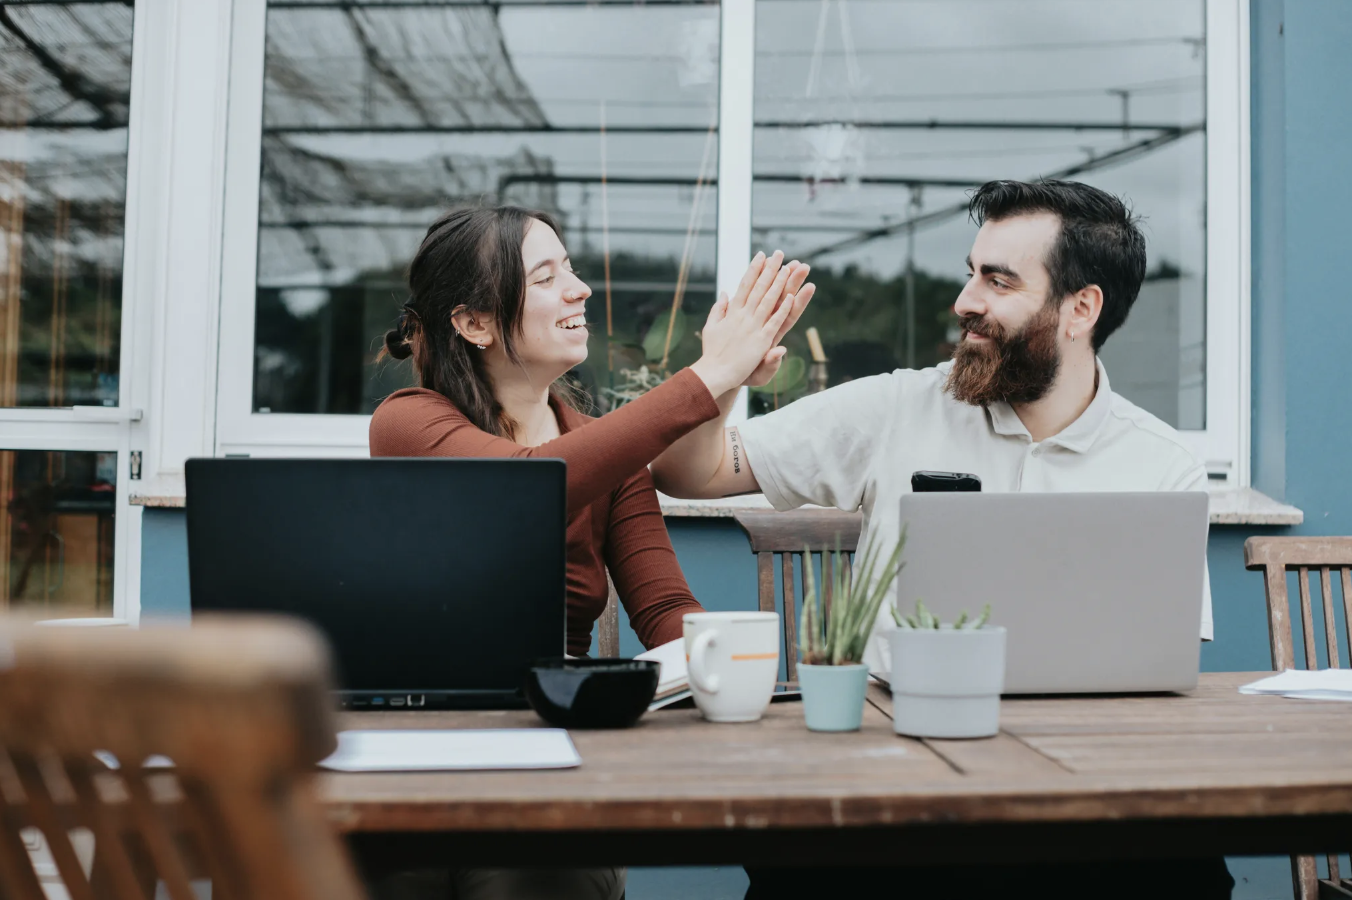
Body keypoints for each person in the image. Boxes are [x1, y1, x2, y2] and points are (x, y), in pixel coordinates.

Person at [651, 179, 1232, 899]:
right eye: (970, 271)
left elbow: (1161, 669)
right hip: (893, 779)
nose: (965, 300)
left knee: (1186, 870)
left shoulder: (1162, 462)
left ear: (1082, 308)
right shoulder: (896, 406)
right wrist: (722, 377)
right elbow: (689, 470)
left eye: (998, 280)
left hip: (1082, 782)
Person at [364, 205, 814, 900]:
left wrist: (724, 663)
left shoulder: (612, 455)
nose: (580, 289)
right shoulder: (409, 423)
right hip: (417, 753)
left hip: (547, 759)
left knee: (543, 880)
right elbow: (531, 486)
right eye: (548, 276)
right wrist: (707, 376)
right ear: (474, 323)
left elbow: (667, 610)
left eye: (571, 269)